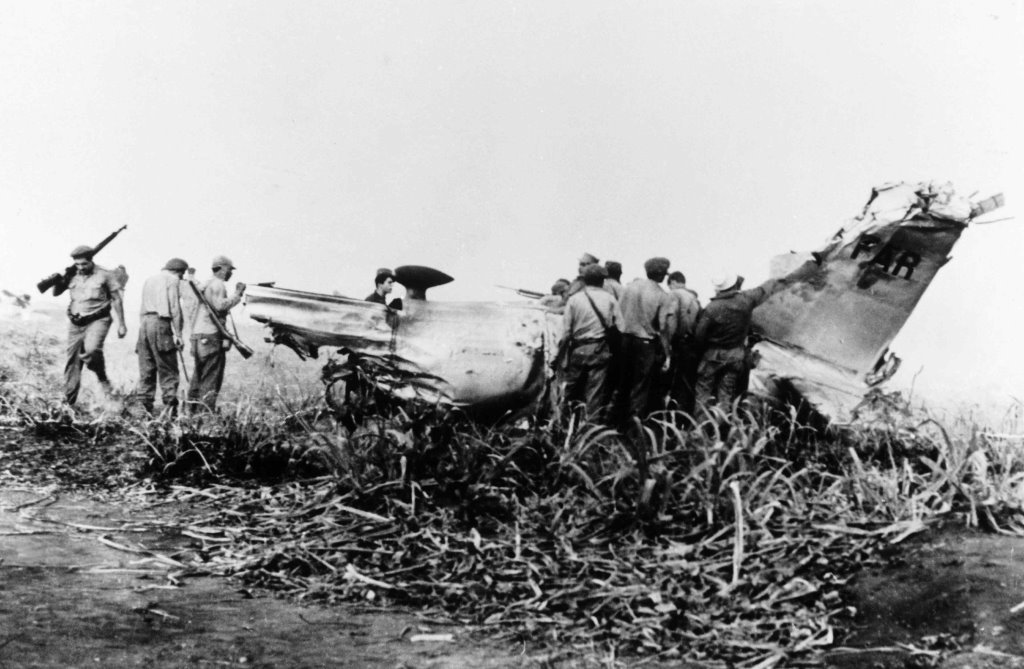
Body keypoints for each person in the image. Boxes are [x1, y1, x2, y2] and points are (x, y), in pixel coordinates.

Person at [693, 260, 819, 410]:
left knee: (703, 393)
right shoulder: (746, 300)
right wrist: (809, 266)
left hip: (712, 356)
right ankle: (722, 421)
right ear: (733, 284)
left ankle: (701, 422)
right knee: (725, 394)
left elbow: (699, 336)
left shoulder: (711, 308)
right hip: (735, 356)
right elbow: (771, 285)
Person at [63, 245, 127, 406]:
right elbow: (56, 292)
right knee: (72, 361)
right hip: (76, 322)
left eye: (84, 264)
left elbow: (116, 299)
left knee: (91, 351)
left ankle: (102, 377)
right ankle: (68, 402)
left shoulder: (105, 275)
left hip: (98, 319)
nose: (81, 267)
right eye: (77, 264)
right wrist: (58, 279)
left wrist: (122, 324)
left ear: (91, 260)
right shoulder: (72, 275)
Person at [615, 257, 677, 422]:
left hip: (625, 339)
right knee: (640, 386)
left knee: (623, 383)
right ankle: (635, 426)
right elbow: (662, 326)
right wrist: (667, 353)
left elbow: (618, 313)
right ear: (662, 275)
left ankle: (616, 423)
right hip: (645, 343)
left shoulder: (629, 288)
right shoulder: (662, 295)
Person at [561, 264, 622, 423]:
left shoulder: (574, 299)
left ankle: (562, 428)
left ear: (585, 280)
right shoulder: (610, 299)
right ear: (603, 280)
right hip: (599, 350)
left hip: (578, 350)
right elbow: (620, 327)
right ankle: (589, 431)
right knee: (594, 395)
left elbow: (566, 333)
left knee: (569, 392)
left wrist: (558, 358)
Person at [187, 255, 246, 412]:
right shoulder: (218, 285)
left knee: (198, 376)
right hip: (211, 336)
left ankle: (190, 413)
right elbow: (220, 306)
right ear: (223, 269)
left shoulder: (204, 284)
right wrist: (238, 294)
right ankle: (205, 415)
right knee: (211, 378)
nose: (230, 273)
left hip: (198, 336)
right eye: (230, 270)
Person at [135, 258, 188, 416]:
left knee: (147, 368)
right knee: (168, 368)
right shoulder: (172, 280)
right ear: (179, 272)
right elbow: (175, 308)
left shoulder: (150, 279)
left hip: (144, 324)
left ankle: (143, 410)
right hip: (161, 324)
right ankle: (170, 411)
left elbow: (142, 308)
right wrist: (178, 334)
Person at [666, 271, 702, 415]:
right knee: (685, 384)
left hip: (678, 344)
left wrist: (667, 344)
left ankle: (670, 416)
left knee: (672, 382)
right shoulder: (694, 298)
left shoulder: (675, 294)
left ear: (673, 282)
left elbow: (671, 322)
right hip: (690, 345)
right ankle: (683, 416)